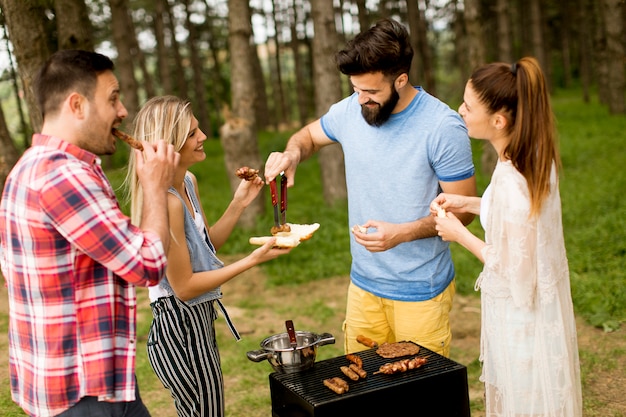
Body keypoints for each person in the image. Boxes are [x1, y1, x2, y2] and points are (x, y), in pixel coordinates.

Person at [264, 18, 476, 356]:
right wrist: (292, 154)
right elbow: (307, 137)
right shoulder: (350, 109)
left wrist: (402, 233)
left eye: (372, 92)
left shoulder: (442, 126)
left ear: (401, 79)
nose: (361, 99)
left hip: (421, 290)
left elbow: (464, 212)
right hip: (363, 287)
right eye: (355, 89)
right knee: (361, 389)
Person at [0, 50, 179, 417]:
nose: (123, 111)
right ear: (77, 105)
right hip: (82, 394)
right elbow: (147, 265)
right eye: (113, 98)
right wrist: (156, 189)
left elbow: (116, 248)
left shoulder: (33, 168)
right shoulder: (63, 177)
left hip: (84, 382)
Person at [430, 57, 583, 416]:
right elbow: (521, 222)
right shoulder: (529, 157)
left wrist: (459, 234)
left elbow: (517, 273)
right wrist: (468, 200)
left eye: (468, 106)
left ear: (498, 121)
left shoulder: (515, 179)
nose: (460, 110)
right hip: (541, 312)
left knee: (526, 401)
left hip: (524, 320)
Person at [125, 95, 291, 417]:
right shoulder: (166, 202)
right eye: (191, 133)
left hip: (199, 322)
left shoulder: (188, 181)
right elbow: (184, 286)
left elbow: (204, 246)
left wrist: (239, 203)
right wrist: (251, 260)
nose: (202, 137)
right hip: (178, 328)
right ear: (169, 144)